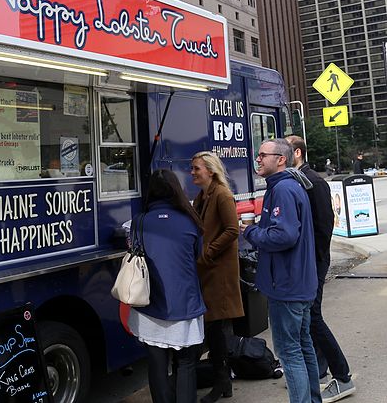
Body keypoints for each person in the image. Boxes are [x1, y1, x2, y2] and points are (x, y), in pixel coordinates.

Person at [241, 139, 320, 403]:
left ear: (281, 159)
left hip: (286, 286)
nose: (258, 159)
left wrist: (251, 231)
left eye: (263, 155)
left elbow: (283, 236)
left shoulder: (284, 189)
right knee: (303, 346)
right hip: (298, 283)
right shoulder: (288, 186)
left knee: (289, 353)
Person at [127, 169, 206, 403]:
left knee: (156, 365)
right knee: (186, 363)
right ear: (176, 190)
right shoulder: (191, 220)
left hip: (150, 304)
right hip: (185, 302)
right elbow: (198, 255)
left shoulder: (139, 222)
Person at [286, 136, 355, 402]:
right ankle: (320, 370)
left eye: (285, 151)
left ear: (297, 153)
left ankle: (343, 376)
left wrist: (311, 262)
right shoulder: (297, 180)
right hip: (308, 262)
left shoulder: (313, 181)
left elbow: (324, 227)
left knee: (313, 316)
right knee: (309, 317)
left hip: (313, 262)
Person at [191, 152, 244, 403]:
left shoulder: (222, 194)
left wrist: (209, 252)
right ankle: (223, 382)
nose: (192, 173)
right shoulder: (202, 196)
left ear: (210, 171)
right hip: (208, 270)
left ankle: (223, 382)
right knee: (215, 329)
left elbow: (233, 229)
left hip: (218, 271)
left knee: (218, 329)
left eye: (196, 169)